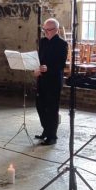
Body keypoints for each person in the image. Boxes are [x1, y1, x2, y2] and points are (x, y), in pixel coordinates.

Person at [34, 18, 69, 146]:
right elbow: (39, 59)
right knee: (40, 106)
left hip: (54, 80)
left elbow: (61, 64)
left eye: (49, 30)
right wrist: (36, 69)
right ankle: (46, 130)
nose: (46, 32)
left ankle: (52, 136)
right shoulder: (42, 42)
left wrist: (48, 68)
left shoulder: (62, 44)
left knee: (52, 108)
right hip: (42, 78)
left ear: (57, 30)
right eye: (45, 30)